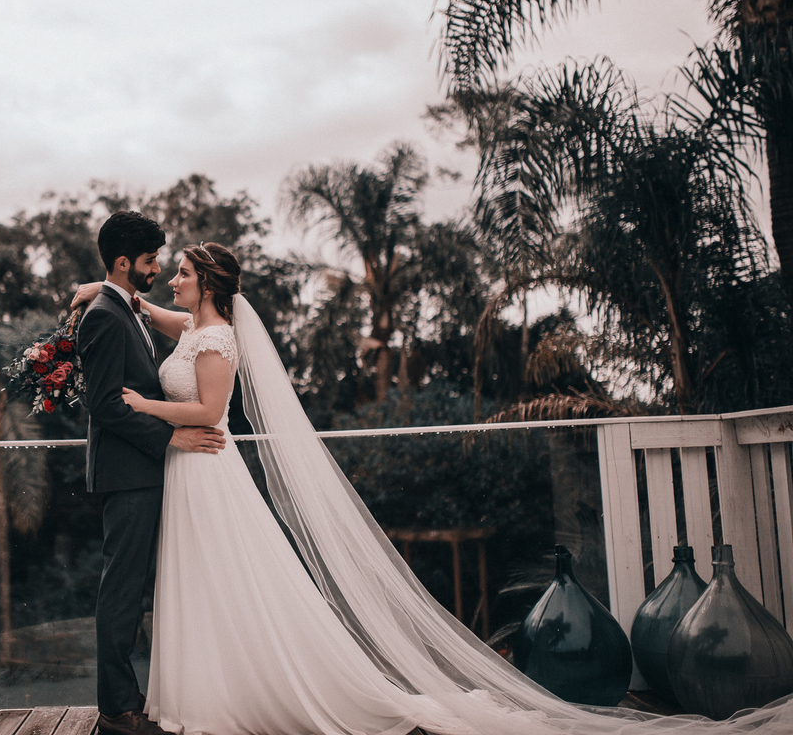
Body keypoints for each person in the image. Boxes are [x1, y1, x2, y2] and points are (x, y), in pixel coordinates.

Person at [72, 239, 793, 735]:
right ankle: (198, 690)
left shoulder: (220, 338)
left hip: (207, 464)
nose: (172, 279)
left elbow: (204, 411)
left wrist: (141, 407)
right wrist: (102, 292)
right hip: (187, 471)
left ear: (212, 284)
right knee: (195, 583)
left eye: (184, 273)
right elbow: (147, 313)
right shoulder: (190, 324)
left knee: (232, 580)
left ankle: (249, 689)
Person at [77, 212, 226, 735]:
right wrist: (171, 437)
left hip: (148, 472)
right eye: (149, 261)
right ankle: (117, 710)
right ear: (124, 263)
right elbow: (105, 407)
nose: (158, 269)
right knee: (121, 591)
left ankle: (143, 696)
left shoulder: (124, 307)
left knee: (139, 587)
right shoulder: (102, 316)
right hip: (129, 475)